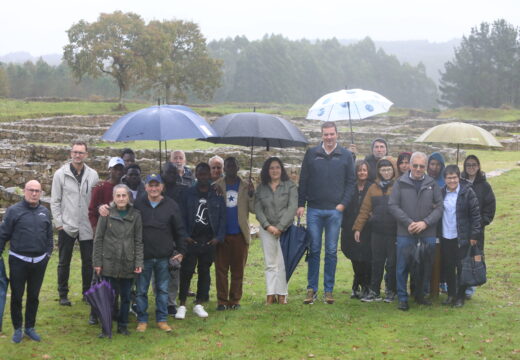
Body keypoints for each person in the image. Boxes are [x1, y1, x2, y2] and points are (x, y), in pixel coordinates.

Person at [297, 121, 356, 304]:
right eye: (325, 134)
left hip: (334, 211)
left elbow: (351, 182)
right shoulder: (312, 154)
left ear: (337, 134)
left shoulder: (346, 155)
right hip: (314, 209)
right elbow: (303, 180)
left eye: (332, 134)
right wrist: (301, 204)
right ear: (321, 135)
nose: (329, 137)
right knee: (314, 250)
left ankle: (328, 290)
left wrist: (343, 204)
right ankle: (311, 289)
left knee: (331, 251)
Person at [388, 151, 443, 311]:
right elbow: (392, 205)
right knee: (403, 267)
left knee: (425, 266)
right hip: (406, 232)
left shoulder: (432, 184)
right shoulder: (400, 183)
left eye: (422, 166)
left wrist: (425, 223)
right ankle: (403, 298)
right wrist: (409, 222)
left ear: (425, 167)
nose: (418, 169)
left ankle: (420, 296)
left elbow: (440, 207)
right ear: (410, 165)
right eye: (415, 165)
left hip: (427, 233)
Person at [0, 180, 53, 343]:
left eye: (37, 191)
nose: (34, 193)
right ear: (24, 191)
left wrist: (48, 254)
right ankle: (18, 329)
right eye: (31, 190)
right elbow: (3, 234)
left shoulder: (45, 212)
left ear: (41, 193)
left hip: (39, 262)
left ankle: (30, 327)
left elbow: (49, 236)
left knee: (34, 296)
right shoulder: (14, 211)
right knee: (17, 296)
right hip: (18, 261)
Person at [133, 174, 187, 332]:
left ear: (162, 187)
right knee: (141, 290)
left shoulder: (171, 205)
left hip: (164, 256)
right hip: (143, 256)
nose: (154, 188)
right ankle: (142, 320)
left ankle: (162, 319)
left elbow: (179, 230)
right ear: (146, 187)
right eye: (151, 185)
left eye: (157, 185)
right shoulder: (138, 204)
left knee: (163, 290)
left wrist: (182, 251)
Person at [51, 141, 99, 306]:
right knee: (64, 261)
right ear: (71, 153)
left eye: (81, 152)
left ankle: (87, 293)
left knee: (88, 262)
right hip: (67, 225)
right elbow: (55, 201)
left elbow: (95, 200)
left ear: (86, 155)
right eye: (75, 152)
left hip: (87, 225)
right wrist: (59, 223)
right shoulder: (60, 174)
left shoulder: (93, 175)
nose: (78, 155)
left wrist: (94, 223)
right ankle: (63, 294)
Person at [93, 184, 143, 336]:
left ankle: (122, 325)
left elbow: (138, 240)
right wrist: (97, 262)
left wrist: (138, 262)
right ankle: (106, 327)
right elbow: (98, 239)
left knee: (126, 297)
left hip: (128, 262)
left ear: (129, 197)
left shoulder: (136, 215)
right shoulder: (106, 214)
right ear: (113, 198)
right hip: (109, 262)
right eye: (118, 196)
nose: (121, 199)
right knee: (109, 298)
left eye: (124, 195)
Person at [176, 163, 225, 319]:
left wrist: (218, 238)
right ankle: (182, 304)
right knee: (186, 271)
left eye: (205, 174)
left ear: (209, 175)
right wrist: (184, 236)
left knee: (205, 271)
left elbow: (223, 217)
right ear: (196, 175)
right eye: (200, 174)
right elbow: (181, 216)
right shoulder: (187, 193)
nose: (203, 177)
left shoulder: (216, 193)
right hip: (191, 239)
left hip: (209, 240)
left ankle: (199, 303)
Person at [353, 157, 398, 303]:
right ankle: (374, 291)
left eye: (389, 169)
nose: (386, 172)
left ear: (393, 170)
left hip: (394, 232)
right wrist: (358, 228)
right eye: (383, 170)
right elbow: (365, 209)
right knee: (377, 262)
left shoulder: (398, 186)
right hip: (377, 232)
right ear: (378, 171)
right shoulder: (373, 188)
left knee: (391, 263)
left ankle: (391, 291)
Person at [255, 157, 298, 305]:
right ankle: (270, 294)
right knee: (270, 262)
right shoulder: (261, 188)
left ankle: (282, 294)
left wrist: (280, 227)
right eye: (271, 168)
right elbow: (258, 209)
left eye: (277, 167)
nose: (275, 170)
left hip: (284, 229)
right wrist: (268, 226)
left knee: (282, 263)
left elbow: (292, 207)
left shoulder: (290, 186)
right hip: (267, 229)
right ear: (267, 171)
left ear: (282, 169)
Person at [214, 157, 255, 310]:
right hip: (222, 235)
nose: (231, 167)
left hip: (239, 234)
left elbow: (253, 209)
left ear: (238, 167)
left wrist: (252, 194)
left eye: (234, 165)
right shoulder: (217, 186)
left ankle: (235, 300)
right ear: (224, 168)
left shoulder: (245, 186)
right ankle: (222, 301)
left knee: (238, 270)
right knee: (221, 270)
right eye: (228, 165)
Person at [440, 165, 481, 308]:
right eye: (448, 178)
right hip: (446, 236)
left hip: (462, 237)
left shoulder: (467, 192)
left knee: (462, 267)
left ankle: (460, 296)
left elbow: (476, 215)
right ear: (444, 179)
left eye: (454, 177)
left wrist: (474, 234)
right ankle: (451, 294)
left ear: (459, 177)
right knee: (449, 267)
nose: (451, 180)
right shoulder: (441, 193)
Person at [461, 154, 496, 299]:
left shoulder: (484, 186)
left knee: (474, 256)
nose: (471, 167)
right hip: (462, 227)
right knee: (461, 257)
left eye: (474, 164)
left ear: (478, 166)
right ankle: (459, 285)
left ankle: (470, 287)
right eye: (468, 165)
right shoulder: (460, 182)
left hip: (476, 229)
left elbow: (490, 207)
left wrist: (481, 222)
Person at [340, 160, 372, 299]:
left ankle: (365, 284)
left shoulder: (371, 187)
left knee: (365, 256)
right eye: (359, 170)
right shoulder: (350, 187)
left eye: (364, 170)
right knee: (354, 255)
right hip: (349, 226)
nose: (362, 172)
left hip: (367, 227)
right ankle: (357, 280)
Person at [161, 161, 188, 316]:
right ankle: (161, 299)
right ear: (162, 173)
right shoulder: (156, 190)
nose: (170, 176)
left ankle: (171, 302)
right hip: (159, 235)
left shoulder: (182, 191)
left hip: (176, 235)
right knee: (158, 270)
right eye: (167, 173)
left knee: (174, 269)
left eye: (173, 173)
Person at [88, 157, 125, 231]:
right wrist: (95, 229)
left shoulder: (125, 188)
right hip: (104, 230)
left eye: (120, 169)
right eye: (115, 169)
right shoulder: (100, 188)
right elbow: (92, 210)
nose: (118, 172)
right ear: (109, 170)